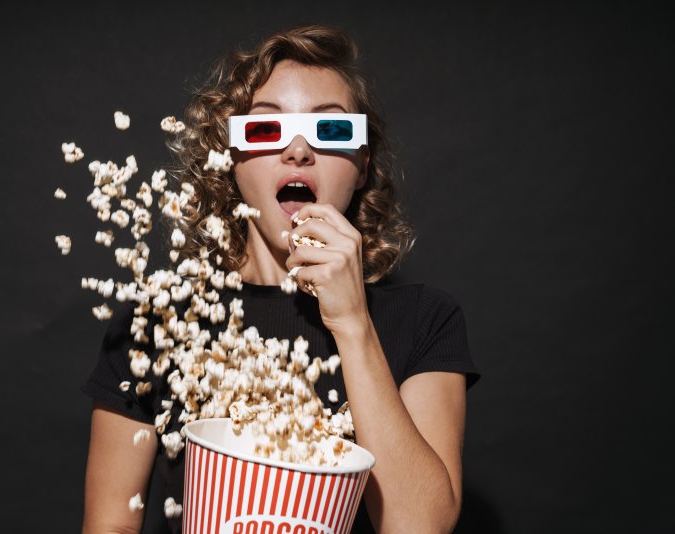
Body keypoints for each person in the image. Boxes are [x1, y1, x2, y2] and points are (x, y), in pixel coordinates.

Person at [81, 24, 480, 534]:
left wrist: (353, 324)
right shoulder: (156, 328)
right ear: (230, 163)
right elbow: (109, 525)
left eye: (332, 131)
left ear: (362, 164)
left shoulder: (425, 321)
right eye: (265, 130)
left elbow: (419, 526)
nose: (298, 151)